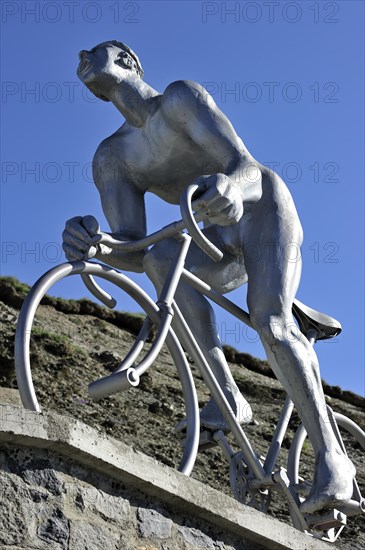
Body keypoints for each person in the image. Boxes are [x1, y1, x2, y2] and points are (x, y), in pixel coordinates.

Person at [62, 41, 355, 514]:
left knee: (272, 325)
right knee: (160, 260)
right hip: (207, 234)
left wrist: (230, 187)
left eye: (95, 50)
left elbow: (246, 167)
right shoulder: (111, 157)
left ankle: (335, 461)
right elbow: (133, 247)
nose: (80, 54)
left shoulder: (180, 100)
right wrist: (93, 244)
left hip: (260, 209)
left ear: (129, 62)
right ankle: (226, 394)